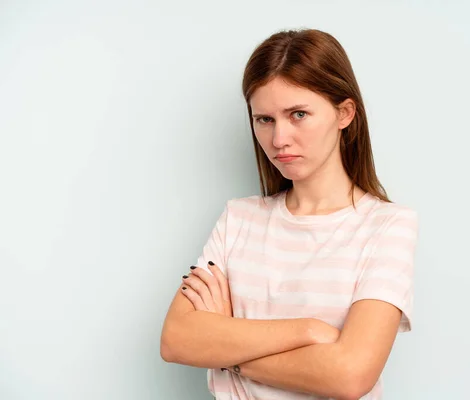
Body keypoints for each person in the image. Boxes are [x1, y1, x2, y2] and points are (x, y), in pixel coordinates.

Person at [160, 28, 419, 400]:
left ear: (344, 113)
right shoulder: (239, 219)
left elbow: (349, 376)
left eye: (298, 114)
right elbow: (177, 340)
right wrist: (309, 331)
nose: (279, 138)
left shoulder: (387, 226)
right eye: (264, 119)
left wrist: (226, 348)